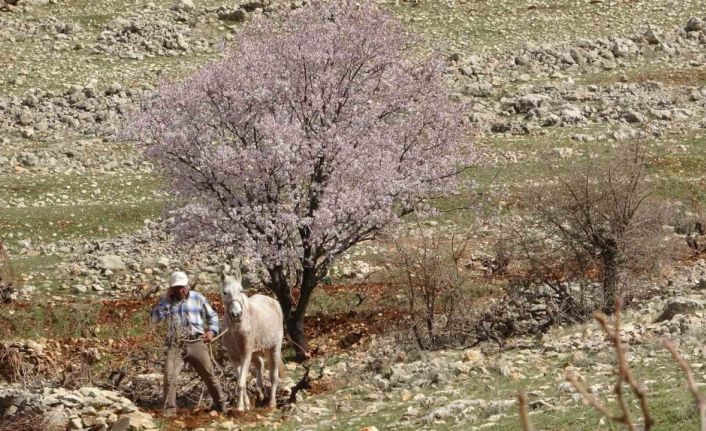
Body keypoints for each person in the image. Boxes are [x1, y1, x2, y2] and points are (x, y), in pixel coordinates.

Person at [150, 271, 227, 416]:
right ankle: (169, 411)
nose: (180, 290)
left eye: (182, 287)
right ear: (172, 289)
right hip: (176, 343)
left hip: (196, 340)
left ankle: (221, 405)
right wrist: (166, 300)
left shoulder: (198, 297)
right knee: (169, 376)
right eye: (176, 287)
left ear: (187, 285)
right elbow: (154, 319)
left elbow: (212, 316)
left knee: (209, 374)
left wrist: (211, 332)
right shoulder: (167, 301)